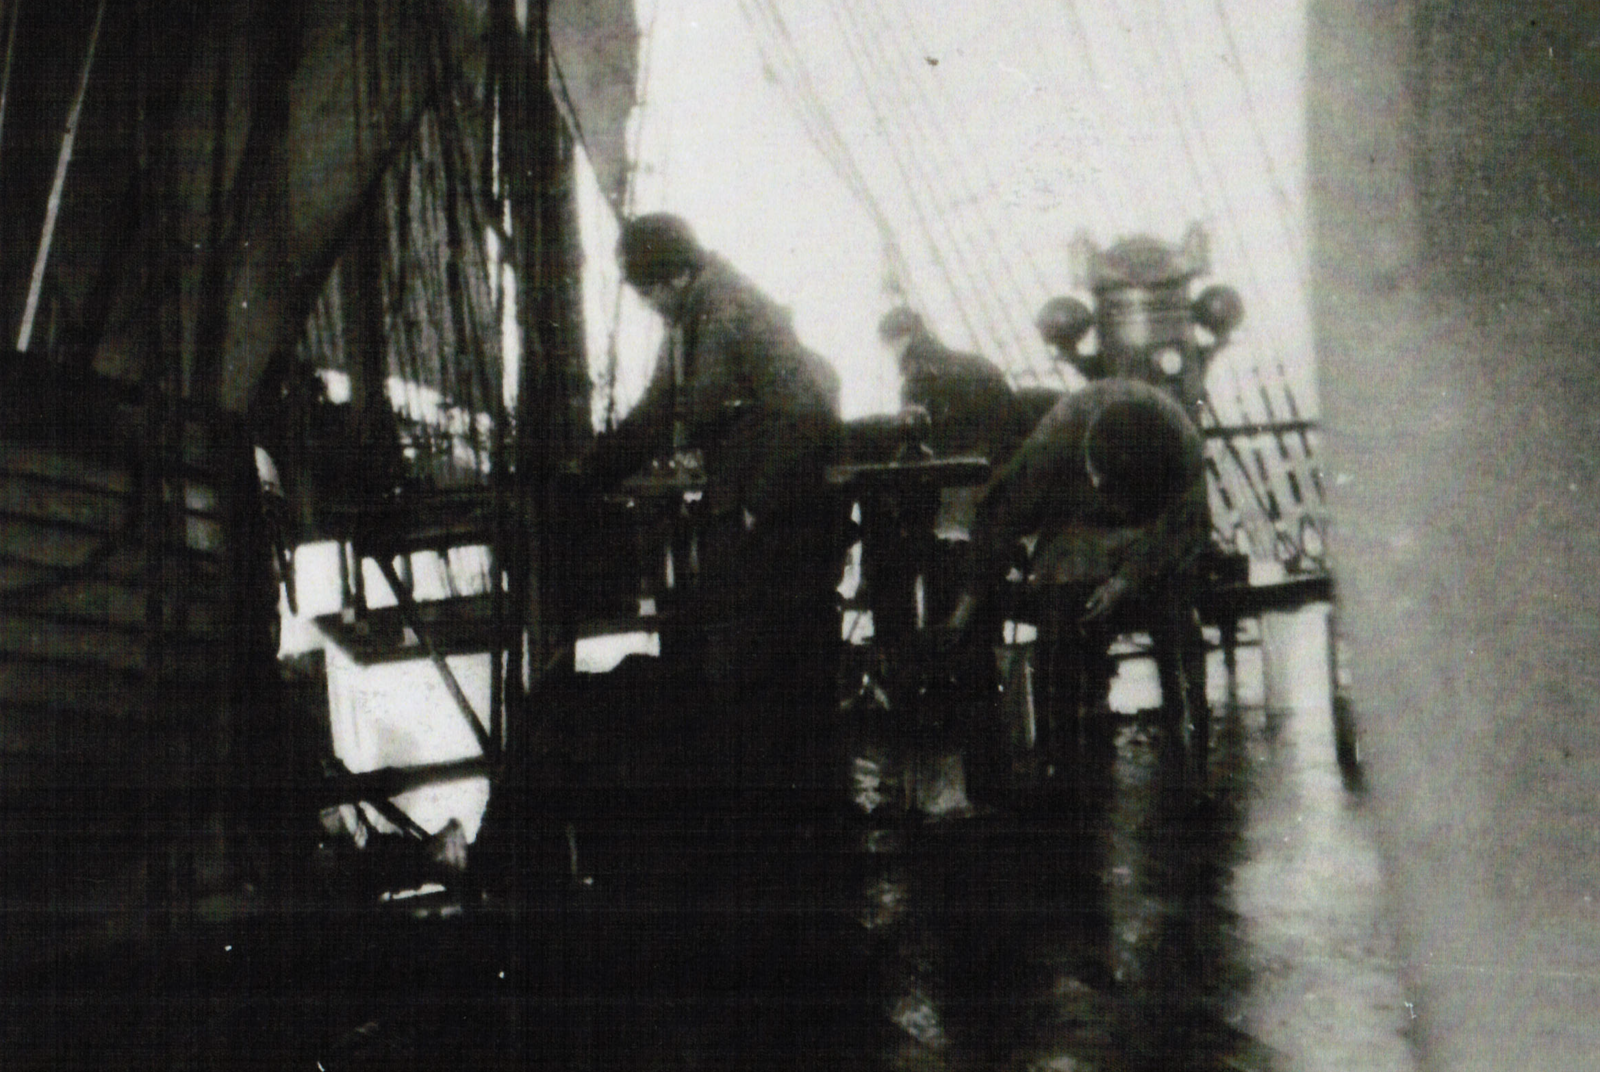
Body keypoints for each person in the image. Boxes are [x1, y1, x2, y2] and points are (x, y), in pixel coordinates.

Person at [582, 211, 847, 760]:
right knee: (739, 646)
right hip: (750, 508)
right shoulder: (691, 319)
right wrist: (590, 470)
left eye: (648, 291)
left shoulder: (729, 309)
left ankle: (790, 797)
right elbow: (659, 411)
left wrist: (758, 504)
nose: (647, 305)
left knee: (772, 656)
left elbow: (803, 411)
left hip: (782, 514)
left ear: (673, 277)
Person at [945, 376, 1212, 796]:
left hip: (1155, 520)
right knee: (1059, 592)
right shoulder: (1057, 440)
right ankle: (1058, 747)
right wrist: (966, 607)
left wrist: (1125, 579)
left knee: (1174, 592)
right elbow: (1003, 518)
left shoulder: (1183, 449)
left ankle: (1189, 734)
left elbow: (1188, 526)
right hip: (1079, 518)